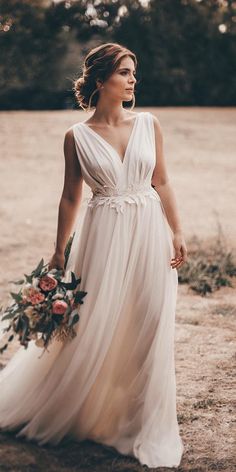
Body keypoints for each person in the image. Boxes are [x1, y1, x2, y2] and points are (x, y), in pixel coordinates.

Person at [0, 42, 187, 468]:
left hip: (148, 231)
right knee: (97, 323)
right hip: (103, 235)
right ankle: (87, 408)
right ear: (101, 79)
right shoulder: (77, 137)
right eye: (124, 72)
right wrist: (58, 251)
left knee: (150, 321)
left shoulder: (149, 124)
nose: (132, 79)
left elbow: (162, 180)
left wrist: (177, 230)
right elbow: (70, 197)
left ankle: (141, 420)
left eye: (133, 73)